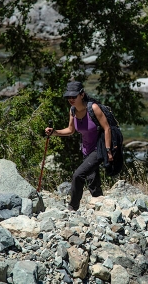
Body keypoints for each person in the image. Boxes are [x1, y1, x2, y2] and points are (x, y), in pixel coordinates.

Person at [45, 81, 113, 211]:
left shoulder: (93, 108)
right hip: (86, 150)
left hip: (99, 149)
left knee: (78, 175)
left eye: (74, 96)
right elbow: (70, 130)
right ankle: (101, 207)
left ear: (82, 95)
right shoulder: (73, 111)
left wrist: (108, 150)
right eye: (68, 97)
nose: (71, 99)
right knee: (92, 181)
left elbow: (107, 129)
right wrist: (54, 132)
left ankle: (73, 207)